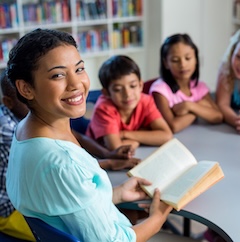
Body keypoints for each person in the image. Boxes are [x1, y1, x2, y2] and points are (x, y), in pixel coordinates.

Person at [5, 28, 173, 241]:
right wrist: (157, 218)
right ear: (26, 88)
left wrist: (118, 193)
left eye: (79, 69)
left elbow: (62, 202)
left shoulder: (24, 133)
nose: (77, 85)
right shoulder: (62, 162)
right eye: (58, 75)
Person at [86, 55, 173, 150]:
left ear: (140, 85)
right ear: (106, 93)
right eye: (118, 89)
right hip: (99, 157)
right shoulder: (104, 108)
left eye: (133, 86)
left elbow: (166, 136)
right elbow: (117, 148)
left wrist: (125, 134)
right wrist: (139, 139)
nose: (127, 94)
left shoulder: (146, 101)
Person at [149, 33, 223, 133]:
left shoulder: (199, 86)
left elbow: (218, 116)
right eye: (175, 60)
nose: (183, 65)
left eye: (188, 58)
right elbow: (172, 127)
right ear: (166, 63)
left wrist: (190, 106)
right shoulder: (160, 90)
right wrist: (200, 107)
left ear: (196, 59)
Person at [0, 71, 35, 241]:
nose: (34, 102)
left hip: (22, 197)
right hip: (7, 209)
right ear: (8, 102)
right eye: (24, 99)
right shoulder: (8, 130)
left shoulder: (15, 116)